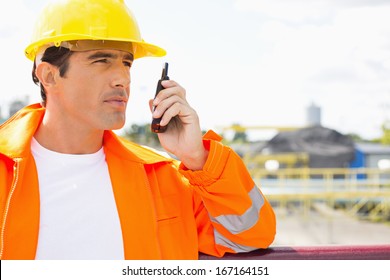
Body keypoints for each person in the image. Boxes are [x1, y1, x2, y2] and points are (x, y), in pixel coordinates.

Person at [0, 0, 276, 260]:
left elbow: (250, 237)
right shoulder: (4, 173)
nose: (123, 78)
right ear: (49, 75)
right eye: (101, 60)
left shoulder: (161, 179)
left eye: (127, 62)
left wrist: (197, 158)